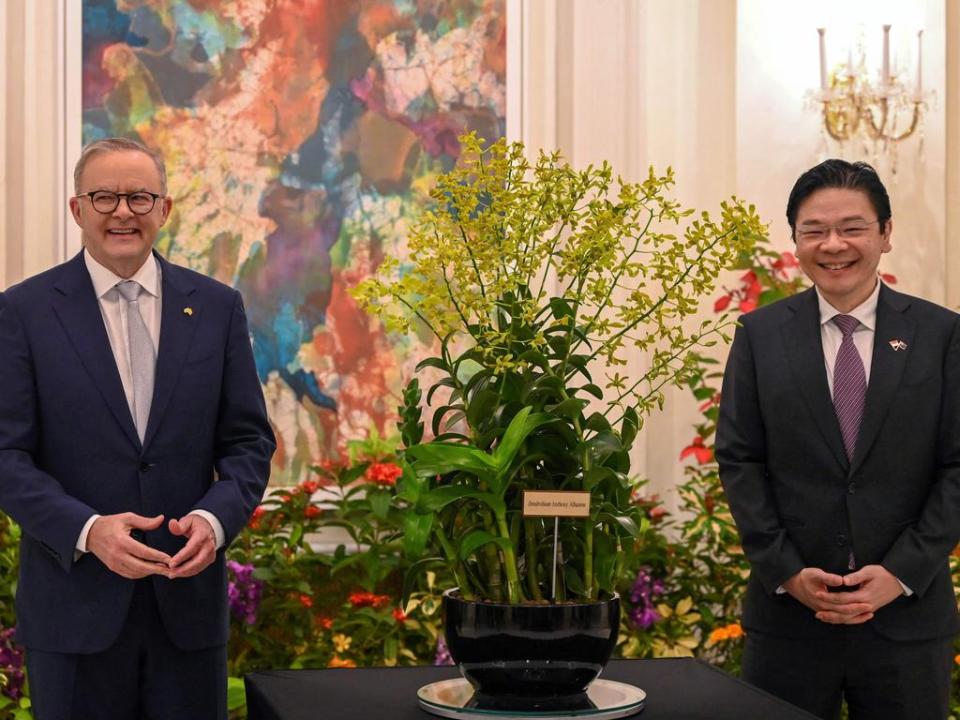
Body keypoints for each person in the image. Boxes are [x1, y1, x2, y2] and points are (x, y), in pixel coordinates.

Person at [0, 137, 276, 719]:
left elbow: (248, 442)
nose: (122, 211)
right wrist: (88, 529)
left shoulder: (218, 307)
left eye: (139, 197)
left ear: (164, 209)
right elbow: (6, 455)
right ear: (77, 210)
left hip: (188, 610)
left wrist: (213, 518)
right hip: (72, 614)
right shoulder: (22, 312)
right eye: (104, 197)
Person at [716, 159, 960, 720]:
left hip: (907, 620)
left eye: (853, 228)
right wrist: (787, 572)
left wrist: (899, 573)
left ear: (885, 234)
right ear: (795, 242)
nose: (834, 245)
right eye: (814, 231)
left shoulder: (940, 334)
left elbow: (956, 466)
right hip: (789, 623)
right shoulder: (760, 335)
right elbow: (739, 460)